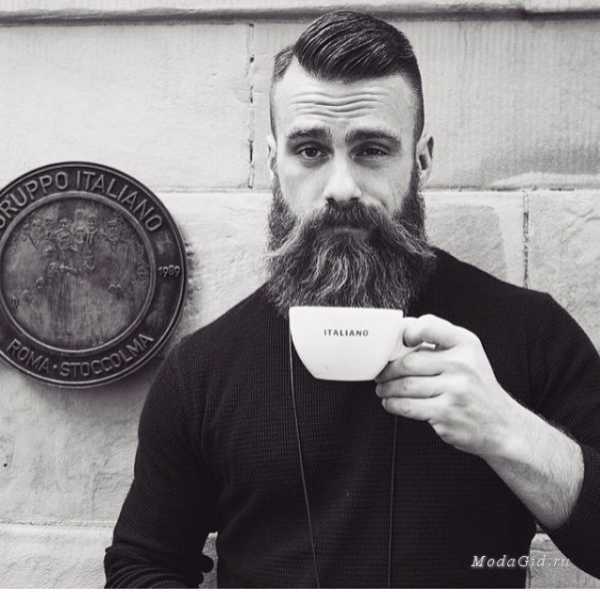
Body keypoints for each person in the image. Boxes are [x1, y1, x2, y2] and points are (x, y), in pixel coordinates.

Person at [104, 11, 600, 588]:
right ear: (274, 162)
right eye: (311, 150)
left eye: (371, 150)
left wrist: (509, 432)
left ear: (421, 159)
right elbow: (141, 568)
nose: (342, 187)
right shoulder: (202, 371)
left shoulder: (530, 333)